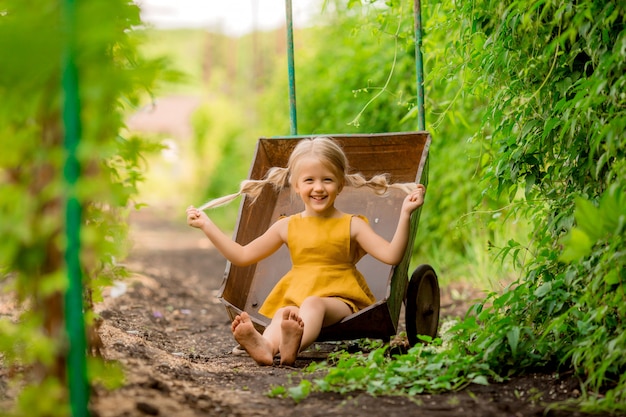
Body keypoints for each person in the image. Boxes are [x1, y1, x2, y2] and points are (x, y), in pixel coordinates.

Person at [186, 137, 425, 366]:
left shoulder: (352, 225)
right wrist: (207, 225)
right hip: (296, 295)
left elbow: (392, 255)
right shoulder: (286, 226)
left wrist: (405, 214)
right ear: (297, 186)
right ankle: (267, 347)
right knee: (284, 313)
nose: (318, 187)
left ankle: (295, 343)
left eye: (327, 180)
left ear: (341, 184)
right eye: (309, 180)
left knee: (312, 305)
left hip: (339, 299)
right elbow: (242, 256)